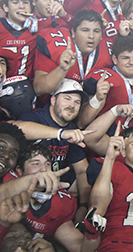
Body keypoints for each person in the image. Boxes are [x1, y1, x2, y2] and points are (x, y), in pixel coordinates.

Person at [16, 78, 91, 220]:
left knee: (93, 176)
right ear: (53, 100)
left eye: (77, 102)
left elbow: (82, 170)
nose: (72, 106)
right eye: (67, 99)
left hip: (55, 186)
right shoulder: (36, 117)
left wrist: (83, 205)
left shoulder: (72, 129)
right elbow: (17, 128)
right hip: (27, 185)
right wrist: (61, 134)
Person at [13, 143, 83, 251]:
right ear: (19, 170)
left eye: (47, 164)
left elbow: (80, 247)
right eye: (35, 164)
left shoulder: (62, 203)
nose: (43, 169)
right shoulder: (7, 188)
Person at [34, 9, 112, 95]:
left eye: (96, 31)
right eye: (85, 30)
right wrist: (61, 69)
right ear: (73, 32)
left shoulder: (107, 54)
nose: (91, 36)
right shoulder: (56, 45)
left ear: (101, 35)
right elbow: (39, 88)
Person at [82, 35, 133, 131]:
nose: (131, 62)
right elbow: (82, 123)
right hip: (106, 138)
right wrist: (97, 98)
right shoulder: (105, 79)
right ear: (115, 59)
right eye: (125, 58)